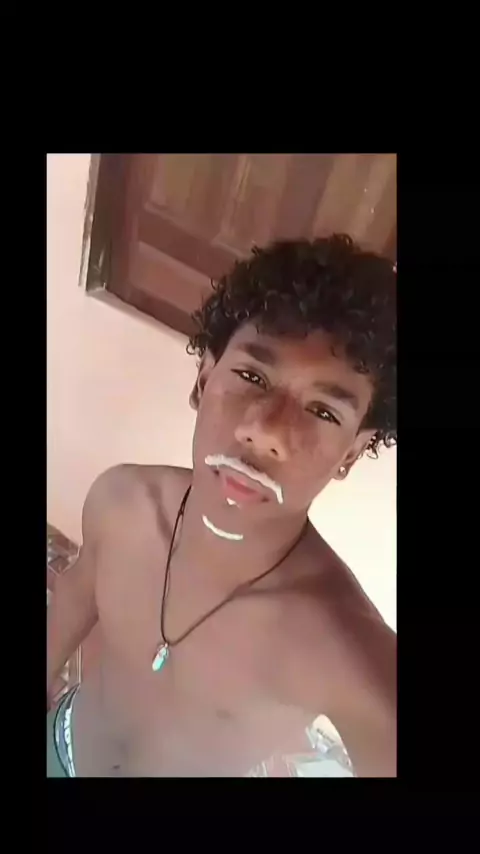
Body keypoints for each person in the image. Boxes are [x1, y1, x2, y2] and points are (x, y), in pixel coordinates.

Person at [47, 234, 397, 777]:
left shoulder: (347, 649)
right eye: (252, 377)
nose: (266, 432)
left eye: (323, 412)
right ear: (204, 379)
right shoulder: (121, 503)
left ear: (350, 452)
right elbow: (72, 599)